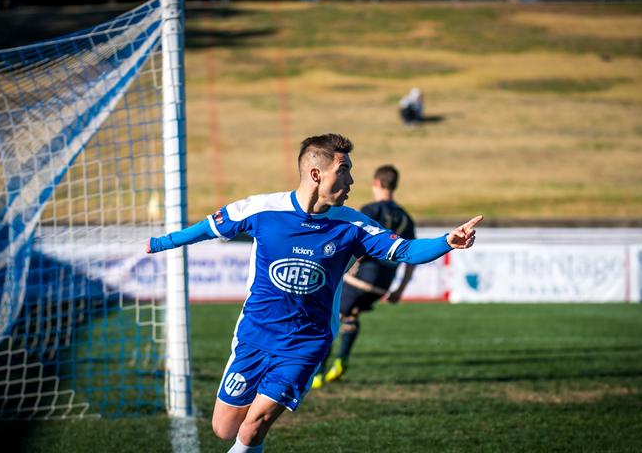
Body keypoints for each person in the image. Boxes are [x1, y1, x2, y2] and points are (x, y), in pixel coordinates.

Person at [146, 133, 482, 452]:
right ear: (315, 174)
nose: (350, 181)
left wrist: (446, 243)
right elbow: (209, 227)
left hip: (305, 342)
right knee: (226, 428)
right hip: (254, 335)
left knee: (253, 426)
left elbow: (407, 251)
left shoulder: (354, 225)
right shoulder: (263, 210)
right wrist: (161, 243)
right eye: (344, 171)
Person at [312, 164, 416, 389]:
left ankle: (318, 373)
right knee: (351, 314)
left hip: (361, 277)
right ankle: (342, 360)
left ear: (376, 183)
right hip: (383, 284)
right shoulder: (406, 217)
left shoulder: (370, 210)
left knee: (327, 316)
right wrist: (400, 289)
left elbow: (355, 240)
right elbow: (410, 256)